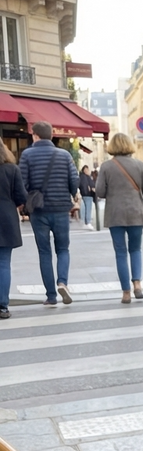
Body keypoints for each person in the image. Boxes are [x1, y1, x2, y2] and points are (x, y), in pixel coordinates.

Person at [19, 120, 79, 307]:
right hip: (61, 208)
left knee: (44, 252)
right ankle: (62, 282)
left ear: (35, 135)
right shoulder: (64, 155)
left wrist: (26, 202)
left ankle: (51, 296)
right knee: (63, 249)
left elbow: (22, 183)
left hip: (39, 211)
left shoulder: (27, 155)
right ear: (51, 135)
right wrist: (71, 194)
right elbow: (74, 180)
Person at [95, 133, 143, 303]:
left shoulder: (106, 166)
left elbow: (100, 192)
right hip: (136, 213)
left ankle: (126, 292)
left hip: (115, 214)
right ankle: (137, 284)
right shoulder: (139, 165)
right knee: (135, 249)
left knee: (120, 252)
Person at [0, 144, 27, 319]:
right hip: (6, 218)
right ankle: (2, 306)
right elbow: (21, 196)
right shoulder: (12, 169)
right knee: (3, 263)